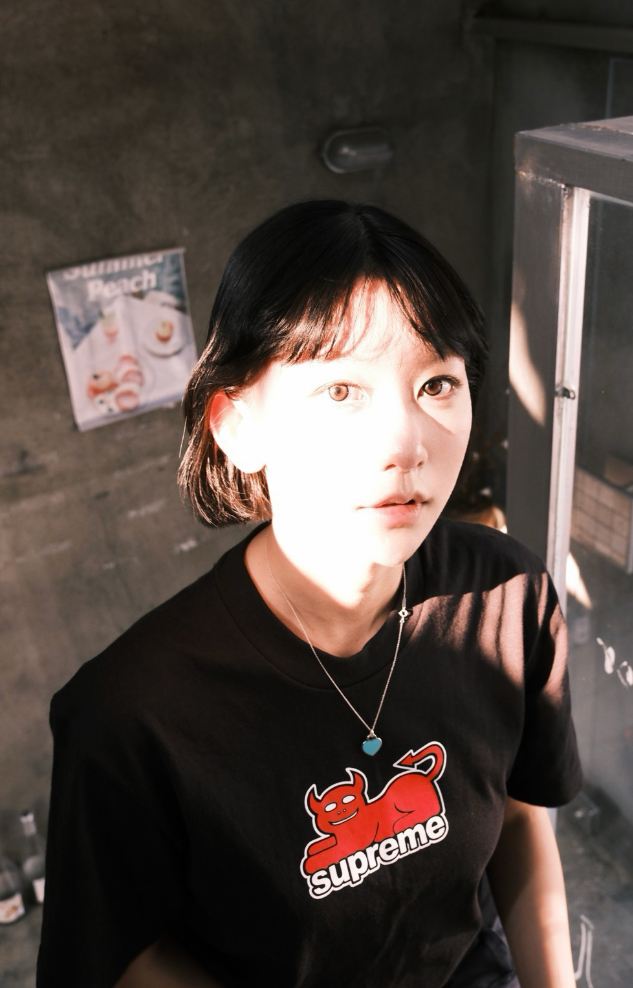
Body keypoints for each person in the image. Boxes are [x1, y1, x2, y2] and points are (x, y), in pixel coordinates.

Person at [37, 199, 582, 988]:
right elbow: (127, 958)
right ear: (236, 425)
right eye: (341, 392)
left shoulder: (509, 599)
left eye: (436, 383)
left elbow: (523, 818)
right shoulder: (131, 713)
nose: (404, 444)